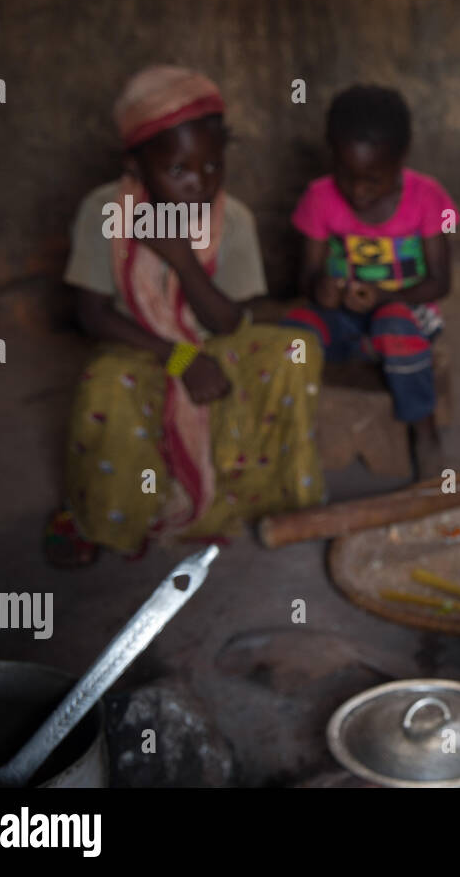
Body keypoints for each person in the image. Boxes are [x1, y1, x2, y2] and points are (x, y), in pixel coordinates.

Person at [47, 66, 325, 566]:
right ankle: (108, 517)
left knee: (295, 352)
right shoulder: (104, 211)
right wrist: (178, 359)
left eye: (214, 165)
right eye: (179, 170)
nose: (201, 183)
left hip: (216, 341)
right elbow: (91, 316)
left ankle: (260, 499)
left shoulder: (232, 217)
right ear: (135, 165)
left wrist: (182, 259)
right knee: (105, 385)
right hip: (139, 347)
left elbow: (227, 323)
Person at [284, 85, 459, 479]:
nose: (358, 191)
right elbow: (306, 278)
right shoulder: (318, 197)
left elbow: (440, 282)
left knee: (394, 322)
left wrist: (385, 295)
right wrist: (321, 289)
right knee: (294, 331)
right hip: (344, 320)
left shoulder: (429, 198)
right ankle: (287, 436)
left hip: (410, 313)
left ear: (402, 158)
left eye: (373, 180)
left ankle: (424, 431)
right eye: (346, 177)